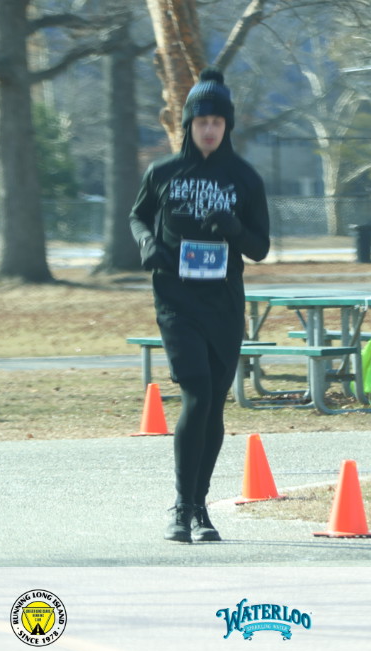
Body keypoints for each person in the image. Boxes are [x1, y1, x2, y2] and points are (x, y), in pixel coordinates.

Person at [130, 68, 270, 544]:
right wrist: (147, 243)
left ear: (227, 126)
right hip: (176, 299)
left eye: (217, 121)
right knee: (196, 392)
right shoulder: (163, 172)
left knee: (214, 404)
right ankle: (181, 505)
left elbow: (259, 248)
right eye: (201, 121)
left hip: (223, 303)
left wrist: (233, 227)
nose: (209, 129)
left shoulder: (244, 178)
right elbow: (138, 216)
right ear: (187, 124)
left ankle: (200, 506)